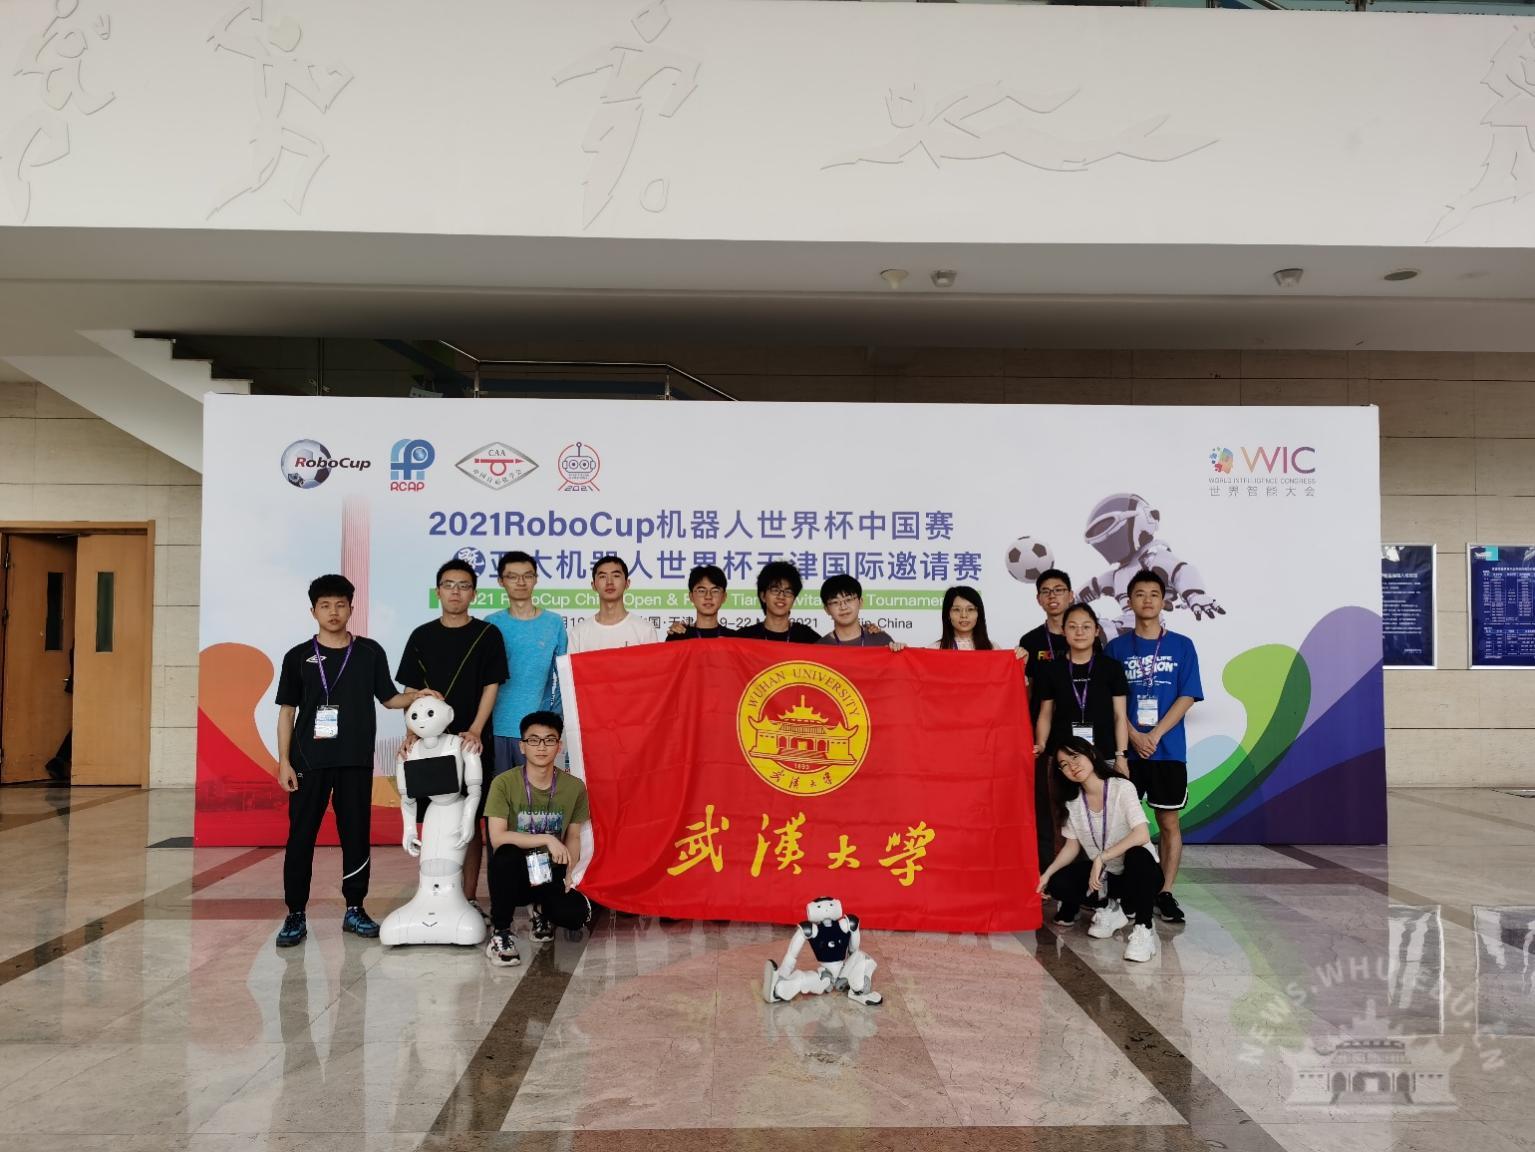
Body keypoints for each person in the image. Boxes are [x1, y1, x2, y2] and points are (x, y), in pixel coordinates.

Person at [274, 574, 426, 948]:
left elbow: (389, 699)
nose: (333, 612)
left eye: (340, 605)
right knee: (301, 837)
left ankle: (355, 908)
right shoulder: (297, 657)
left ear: (351, 609)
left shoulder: (369, 652)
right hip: (308, 761)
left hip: (355, 760)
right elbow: (287, 712)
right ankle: (295, 914)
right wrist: (284, 762)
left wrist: (418, 696)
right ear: (313, 611)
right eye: (325, 605)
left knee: (356, 835)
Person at [396, 559, 509, 917]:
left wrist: (475, 729)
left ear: (474, 593)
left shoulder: (488, 634)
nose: (455, 592)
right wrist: (411, 734)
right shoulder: (421, 636)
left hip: (470, 743)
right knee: (432, 817)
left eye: (463, 585)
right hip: (429, 745)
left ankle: (469, 898)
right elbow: (411, 690)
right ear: (438, 591)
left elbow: (491, 686)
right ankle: (436, 896)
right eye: (449, 585)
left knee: (470, 820)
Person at [1104, 568, 1203, 925]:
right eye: (1139, 594)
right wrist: (1133, 736)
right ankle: (1121, 892)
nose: (1147, 600)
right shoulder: (1115, 648)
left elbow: (1187, 695)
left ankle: (1165, 891)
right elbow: (1110, 700)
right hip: (1126, 753)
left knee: (1168, 821)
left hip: (1167, 750)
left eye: (1154, 594)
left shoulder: (1182, 646)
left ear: (1164, 601)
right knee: (1120, 823)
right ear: (1129, 602)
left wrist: (1156, 734)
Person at [1035, 736, 1163, 962]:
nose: (1072, 766)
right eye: (1064, 764)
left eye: (1075, 757)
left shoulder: (1121, 787)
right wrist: (1046, 874)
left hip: (1139, 876)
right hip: (1106, 879)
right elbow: (1071, 846)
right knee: (1057, 882)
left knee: (1139, 855)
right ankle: (1110, 908)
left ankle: (1144, 930)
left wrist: (1101, 858)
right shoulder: (1073, 802)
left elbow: (1142, 834)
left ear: (1091, 754)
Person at [483, 711, 594, 966]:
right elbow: (497, 837)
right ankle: (501, 933)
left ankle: (541, 911)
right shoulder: (503, 783)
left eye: (549, 740)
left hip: (550, 871)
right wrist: (547, 838)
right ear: (522, 746)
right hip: (517, 872)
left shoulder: (574, 787)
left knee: (576, 916)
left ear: (559, 746)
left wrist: (571, 873)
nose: (541, 747)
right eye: (533, 740)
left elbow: (574, 836)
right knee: (505, 855)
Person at [487, 551, 567, 775]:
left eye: (527, 576)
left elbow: (564, 676)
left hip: (537, 733)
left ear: (536, 579)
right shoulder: (491, 623)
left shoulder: (553, 623)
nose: (521, 582)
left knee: (537, 795)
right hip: (497, 728)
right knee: (500, 793)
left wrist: (552, 717)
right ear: (501, 581)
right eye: (512, 576)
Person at [1034, 603, 1130, 779]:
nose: (1079, 632)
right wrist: (1041, 744)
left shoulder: (1111, 668)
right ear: (1063, 631)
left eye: (1086, 627)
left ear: (1096, 630)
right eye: (1073, 627)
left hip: (1105, 755)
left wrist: (1121, 757)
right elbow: (1045, 714)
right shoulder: (1051, 670)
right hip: (1064, 758)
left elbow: (1120, 716)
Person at [568, 555, 661, 652]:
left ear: (627, 583)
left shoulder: (645, 630)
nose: (609, 582)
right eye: (602, 576)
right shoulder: (578, 633)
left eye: (616, 576)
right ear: (593, 585)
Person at [736, 561, 821, 643]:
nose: (781, 596)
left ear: (794, 599)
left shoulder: (808, 638)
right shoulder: (744, 637)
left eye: (788, 592)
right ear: (763, 596)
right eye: (775, 590)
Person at [818, 574, 902, 649]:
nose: (843, 607)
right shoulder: (820, 648)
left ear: (860, 602)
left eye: (848, 599)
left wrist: (900, 652)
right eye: (835, 602)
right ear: (827, 609)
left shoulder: (882, 640)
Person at [666, 564, 736, 640]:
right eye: (701, 591)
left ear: (724, 597)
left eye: (715, 591)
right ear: (691, 596)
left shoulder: (734, 638)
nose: (708, 596)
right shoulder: (678, 637)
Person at [933, 585, 994, 650]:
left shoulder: (992, 648)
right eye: (957, 609)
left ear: (978, 614)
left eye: (970, 609)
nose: (964, 615)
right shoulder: (935, 649)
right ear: (948, 614)